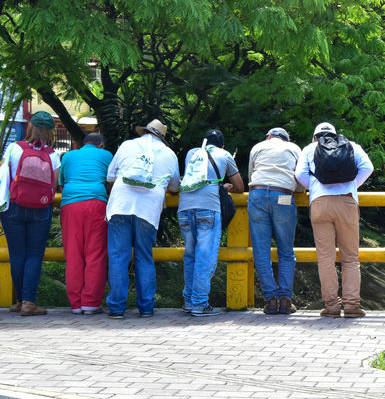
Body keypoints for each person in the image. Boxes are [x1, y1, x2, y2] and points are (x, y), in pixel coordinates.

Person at [295, 122, 373, 318]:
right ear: (335, 135)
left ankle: (331, 306)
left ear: (315, 137)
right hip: (346, 201)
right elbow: (368, 167)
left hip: (320, 204)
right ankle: (352, 305)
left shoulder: (309, 149)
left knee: (325, 258)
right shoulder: (351, 145)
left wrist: (314, 188)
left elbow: (299, 174)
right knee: (350, 257)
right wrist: (352, 185)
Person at [105, 119, 180, 319]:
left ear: (144, 132)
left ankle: (117, 308)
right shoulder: (169, 154)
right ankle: (146, 307)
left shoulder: (127, 145)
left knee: (118, 257)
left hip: (120, 204)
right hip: (148, 209)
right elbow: (174, 187)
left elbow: (110, 176)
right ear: (162, 137)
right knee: (144, 256)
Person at [178, 129, 243, 317]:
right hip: (208, 209)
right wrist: (226, 186)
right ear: (222, 145)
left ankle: (189, 301)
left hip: (184, 209)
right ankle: (199, 303)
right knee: (204, 257)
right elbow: (239, 186)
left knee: (190, 255)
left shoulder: (192, 153)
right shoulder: (225, 155)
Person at [1, 111, 60, 316]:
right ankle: (28, 303)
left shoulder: (14, 148)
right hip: (41, 209)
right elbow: (54, 185)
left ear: (30, 127)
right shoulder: (53, 155)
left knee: (17, 254)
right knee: (34, 255)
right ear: (50, 131)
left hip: (14, 207)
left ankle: (19, 302)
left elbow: (4, 176)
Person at [247, 127, 302, 315]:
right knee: (286, 250)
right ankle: (286, 300)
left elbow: (250, 174)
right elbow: (300, 179)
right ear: (285, 139)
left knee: (261, 251)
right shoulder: (294, 148)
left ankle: (270, 300)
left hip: (257, 194)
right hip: (283, 197)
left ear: (268, 136)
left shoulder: (258, 147)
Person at [59, 133, 113, 315]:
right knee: (95, 254)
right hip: (96, 203)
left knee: (73, 254)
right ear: (100, 145)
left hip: (70, 204)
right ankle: (90, 303)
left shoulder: (67, 156)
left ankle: (75, 304)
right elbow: (111, 182)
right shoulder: (106, 155)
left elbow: (62, 182)